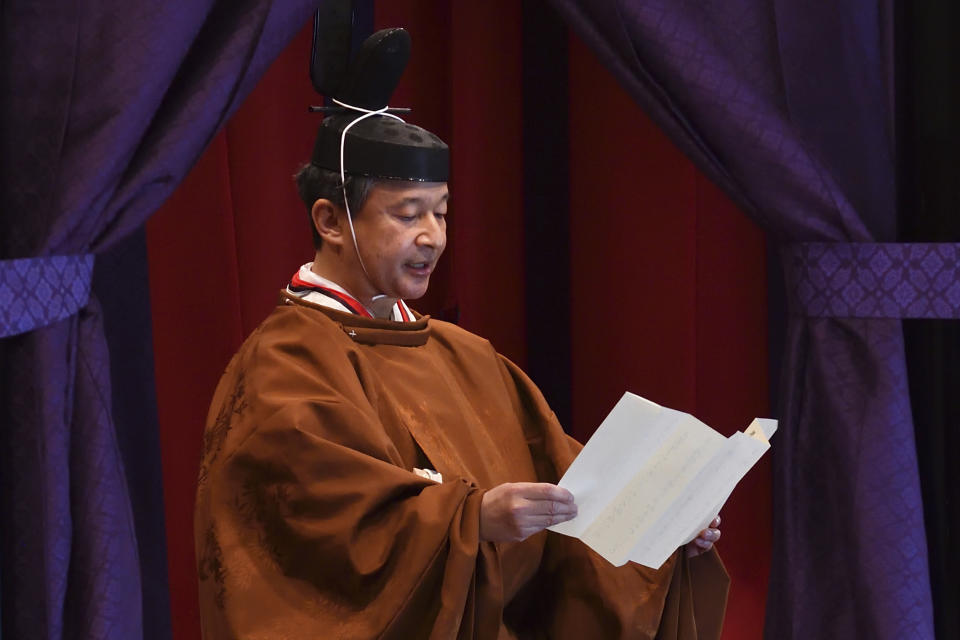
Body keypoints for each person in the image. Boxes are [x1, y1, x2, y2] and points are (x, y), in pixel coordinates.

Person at [195, 28, 729, 639]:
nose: (434, 237)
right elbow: (321, 537)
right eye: (407, 214)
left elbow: (573, 489)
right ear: (331, 220)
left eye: (442, 212)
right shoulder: (283, 366)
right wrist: (471, 520)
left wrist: (661, 525)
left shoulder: (466, 355)